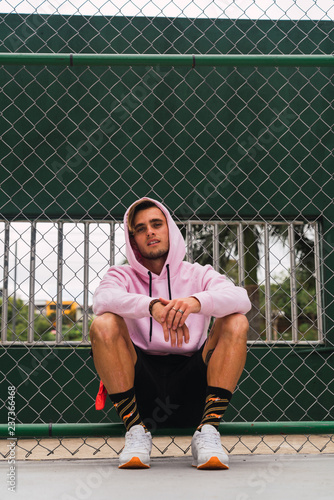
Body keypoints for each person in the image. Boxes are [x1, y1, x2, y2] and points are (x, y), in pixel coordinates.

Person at [90, 197, 251, 470]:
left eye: (156, 224)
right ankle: (135, 431)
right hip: (140, 385)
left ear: (170, 231)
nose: (150, 232)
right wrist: (151, 306)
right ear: (133, 240)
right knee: (103, 323)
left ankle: (208, 431)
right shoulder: (121, 275)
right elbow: (102, 301)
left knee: (236, 321)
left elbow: (241, 299)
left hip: (194, 382)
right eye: (140, 229)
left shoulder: (200, 274)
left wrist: (194, 302)